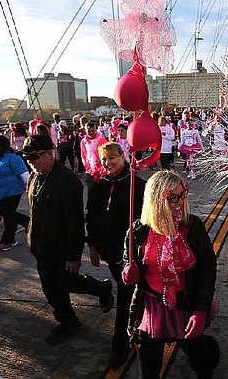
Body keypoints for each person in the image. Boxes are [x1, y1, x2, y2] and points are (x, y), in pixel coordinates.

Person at [122, 170, 220, 378]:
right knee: (148, 371)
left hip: (186, 305)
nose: (180, 202)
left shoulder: (193, 227)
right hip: (151, 309)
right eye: (172, 197)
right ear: (156, 199)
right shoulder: (138, 232)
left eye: (182, 194)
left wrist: (201, 310)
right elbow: (128, 263)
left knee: (201, 358)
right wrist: (130, 273)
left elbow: (207, 270)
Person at [20, 134, 114, 344]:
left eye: (35, 156)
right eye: (27, 158)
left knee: (63, 283)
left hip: (60, 247)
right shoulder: (36, 176)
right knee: (53, 287)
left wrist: (73, 255)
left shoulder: (67, 181)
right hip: (40, 246)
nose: (31, 162)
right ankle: (71, 316)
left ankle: (80, 308)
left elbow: (74, 222)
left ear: (50, 154)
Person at [86, 142, 145, 367]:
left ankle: (120, 343)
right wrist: (92, 245)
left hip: (133, 254)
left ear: (123, 156)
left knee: (125, 294)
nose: (108, 163)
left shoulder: (136, 184)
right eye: (104, 159)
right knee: (127, 292)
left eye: (112, 158)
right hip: (110, 251)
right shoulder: (98, 184)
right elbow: (91, 215)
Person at [80, 121, 108, 192]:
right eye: (89, 131)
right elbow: (83, 155)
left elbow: (107, 153)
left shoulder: (102, 139)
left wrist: (102, 161)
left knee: (102, 191)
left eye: (93, 130)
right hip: (90, 170)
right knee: (91, 191)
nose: (91, 133)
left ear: (95, 130)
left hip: (102, 170)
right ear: (85, 131)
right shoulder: (83, 141)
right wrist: (87, 166)